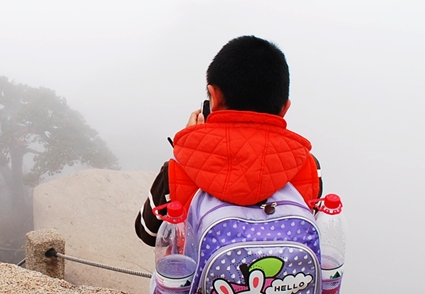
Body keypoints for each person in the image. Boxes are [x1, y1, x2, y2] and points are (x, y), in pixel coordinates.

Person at [135, 36, 322, 246]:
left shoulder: (178, 168)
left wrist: (190, 148)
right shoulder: (308, 166)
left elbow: (147, 232)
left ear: (213, 97)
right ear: (284, 108)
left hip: (199, 279)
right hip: (283, 279)